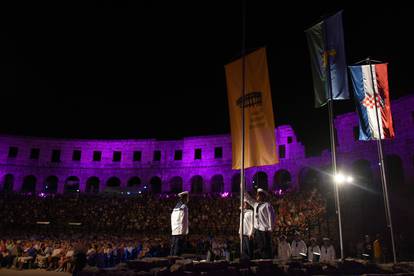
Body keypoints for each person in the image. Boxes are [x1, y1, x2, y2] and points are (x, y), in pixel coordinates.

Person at [244, 188, 276, 259]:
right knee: (261, 246)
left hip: (265, 229)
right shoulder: (255, 204)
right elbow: (248, 199)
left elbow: (271, 216)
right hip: (257, 229)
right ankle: (263, 260)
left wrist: (271, 228)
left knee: (266, 246)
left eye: (258, 195)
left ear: (262, 196)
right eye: (257, 195)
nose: (256, 197)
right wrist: (243, 189)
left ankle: (268, 260)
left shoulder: (267, 205)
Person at [170, 191, 189, 256]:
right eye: (187, 197)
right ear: (185, 198)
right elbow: (182, 219)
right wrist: (183, 231)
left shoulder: (176, 206)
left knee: (173, 246)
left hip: (175, 229)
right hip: (180, 230)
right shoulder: (184, 207)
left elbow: (173, 218)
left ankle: (171, 261)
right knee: (178, 248)